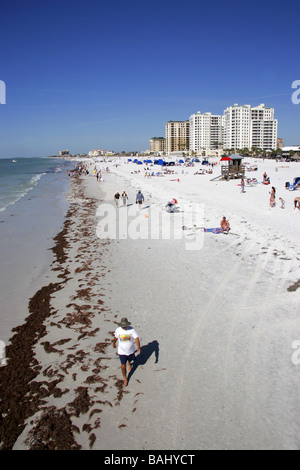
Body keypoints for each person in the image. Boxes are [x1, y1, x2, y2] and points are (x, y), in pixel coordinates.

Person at [113, 317, 141, 387]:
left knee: (130, 359)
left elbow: (136, 338)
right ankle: (125, 379)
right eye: (123, 326)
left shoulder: (131, 330)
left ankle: (129, 363)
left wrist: (138, 348)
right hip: (121, 352)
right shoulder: (118, 330)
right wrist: (113, 343)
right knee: (123, 366)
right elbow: (115, 337)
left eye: (125, 325)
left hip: (131, 351)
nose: (124, 327)